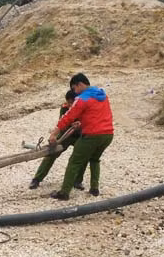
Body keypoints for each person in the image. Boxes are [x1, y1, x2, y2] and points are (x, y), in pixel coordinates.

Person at [48, 72, 114, 201]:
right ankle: (94, 188)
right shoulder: (102, 94)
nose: (75, 92)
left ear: (80, 84)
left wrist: (54, 134)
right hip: (108, 135)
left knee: (75, 161)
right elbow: (98, 115)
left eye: (74, 88)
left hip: (92, 135)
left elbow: (68, 117)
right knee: (95, 159)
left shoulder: (82, 98)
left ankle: (64, 192)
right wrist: (83, 122)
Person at [29, 89, 85, 190]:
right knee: (51, 154)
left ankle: (77, 181)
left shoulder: (84, 107)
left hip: (80, 136)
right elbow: (62, 123)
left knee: (81, 157)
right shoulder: (64, 108)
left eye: (71, 103)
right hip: (66, 136)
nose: (69, 105)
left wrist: (80, 126)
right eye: (68, 102)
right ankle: (37, 179)